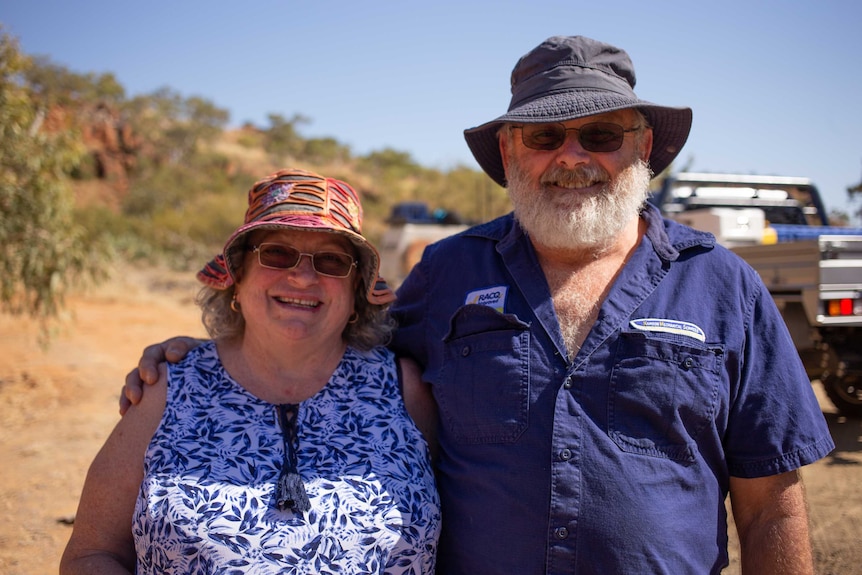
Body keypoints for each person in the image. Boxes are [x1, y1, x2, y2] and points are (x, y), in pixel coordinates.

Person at [123, 37, 835, 574]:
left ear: (643, 144)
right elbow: (322, 332)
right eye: (545, 136)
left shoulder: (724, 286)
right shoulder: (448, 272)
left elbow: (771, 499)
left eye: (601, 135)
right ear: (508, 149)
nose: (572, 156)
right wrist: (210, 352)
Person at [61, 169, 441, 574]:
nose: (302, 275)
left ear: (355, 293)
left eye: (332, 260)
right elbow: (92, 553)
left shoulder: (404, 391)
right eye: (277, 253)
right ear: (237, 279)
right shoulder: (167, 389)